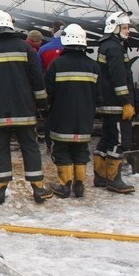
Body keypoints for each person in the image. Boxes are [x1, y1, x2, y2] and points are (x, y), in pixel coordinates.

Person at [0, 10, 53, 204]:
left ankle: (0, 189)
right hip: (23, 110)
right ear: (10, 26)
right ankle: (38, 188)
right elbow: (36, 78)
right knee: (30, 146)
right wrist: (42, 103)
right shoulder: (25, 48)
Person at [44, 24, 100, 198]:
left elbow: (48, 92)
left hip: (61, 117)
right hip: (85, 118)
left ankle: (65, 186)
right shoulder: (93, 66)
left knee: (61, 149)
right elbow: (98, 95)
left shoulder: (56, 65)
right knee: (81, 149)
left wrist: (46, 108)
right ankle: (80, 185)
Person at [93, 11, 136, 193]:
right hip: (117, 104)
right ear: (115, 27)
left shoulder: (107, 46)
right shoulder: (115, 47)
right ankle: (113, 179)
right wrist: (126, 101)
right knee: (120, 141)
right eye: (125, 27)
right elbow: (119, 77)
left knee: (107, 139)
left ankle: (100, 176)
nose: (128, 31)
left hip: (108, 102)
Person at [38, 20, 65, 153]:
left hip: (49, 87)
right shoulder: (68, 47)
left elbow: (38, 71)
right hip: (68, 89)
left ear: (52, 30)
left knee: (50, 117)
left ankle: (50, 146)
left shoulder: (44, 49)